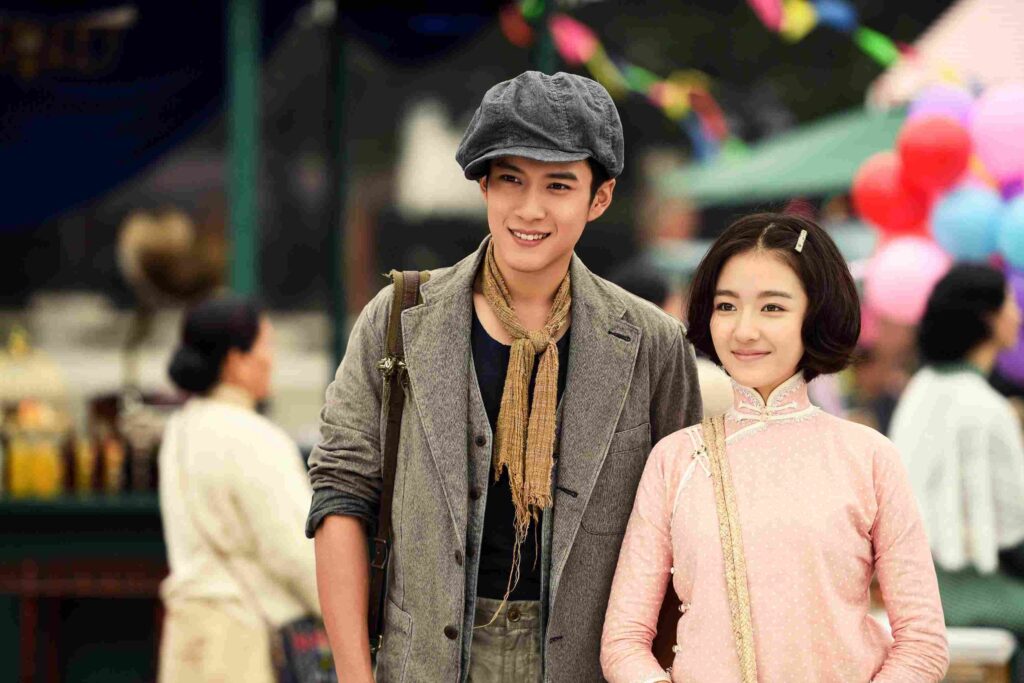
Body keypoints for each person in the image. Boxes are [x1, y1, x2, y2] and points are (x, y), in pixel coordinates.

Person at [306, 71, 702, 683]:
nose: (530, 208)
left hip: (589, 666)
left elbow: (682, 532)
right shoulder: (399, 318)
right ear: (484, 184)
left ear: (600, 198)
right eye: (511, 179)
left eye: (558, 185)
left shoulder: (654, 343)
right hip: (423, 665)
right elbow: (341, 495)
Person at [601, 213, 948, 682]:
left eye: (772, 308)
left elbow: (923, 644)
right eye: (727, 306)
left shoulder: (868, 457)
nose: (744, 330)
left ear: (816, 315)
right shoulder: (676, 459)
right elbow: (623, 641)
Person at [157, 297, 320, 683]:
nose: (272, 358)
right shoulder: (254, 436)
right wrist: (352, 620)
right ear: (235, 361)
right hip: (241, 646)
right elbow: (296, 553)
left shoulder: (178, 430)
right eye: (266, 345)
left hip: (185, 640)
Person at [889, 264, 1024, 680]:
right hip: (974, 593)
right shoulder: (987, 407)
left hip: (913, 587)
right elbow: (1013, 534)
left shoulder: (918, 389)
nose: (1018, 314)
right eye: (1010, 303)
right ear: (988, 317)